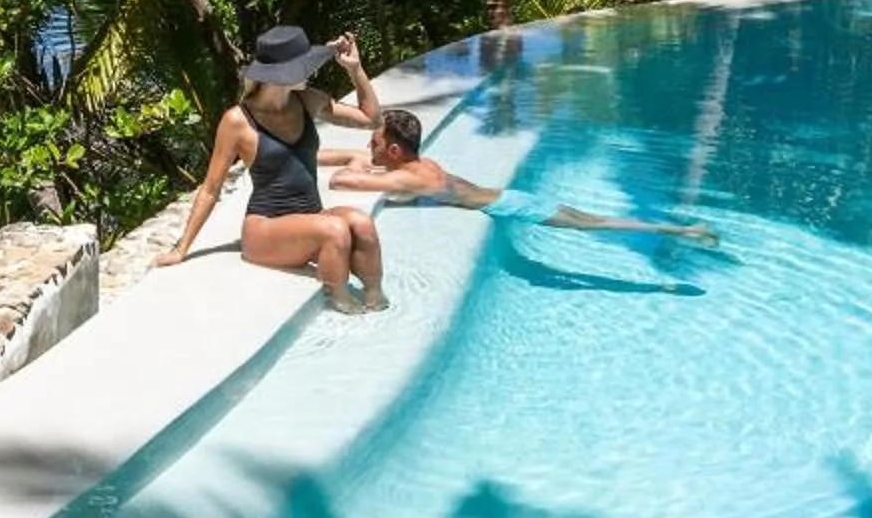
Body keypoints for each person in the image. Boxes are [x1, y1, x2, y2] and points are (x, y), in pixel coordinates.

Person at [156, 25, 391, 312]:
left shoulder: (308, 100)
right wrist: (181, 249)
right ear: (282, 75)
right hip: (264, 231)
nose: (310, 72)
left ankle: (375, 299)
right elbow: (210, 189)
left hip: (311, 218)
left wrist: (355, 70)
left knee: (362, 224)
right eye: (303, 66)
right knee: (335, 231)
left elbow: (372, 120)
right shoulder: (238, 121)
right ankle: (340, 302)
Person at [325, 108, 719, 245]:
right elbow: (354, 160)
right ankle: (682, 230)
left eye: (374, 142)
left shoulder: (408, 179)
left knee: (592, 224)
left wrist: (358, 166)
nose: (368, 147)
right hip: (510, 197)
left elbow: (343, 180)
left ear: (394, 150)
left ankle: (682, 232)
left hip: (513, 206)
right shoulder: (415, 165)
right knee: (590, 220)